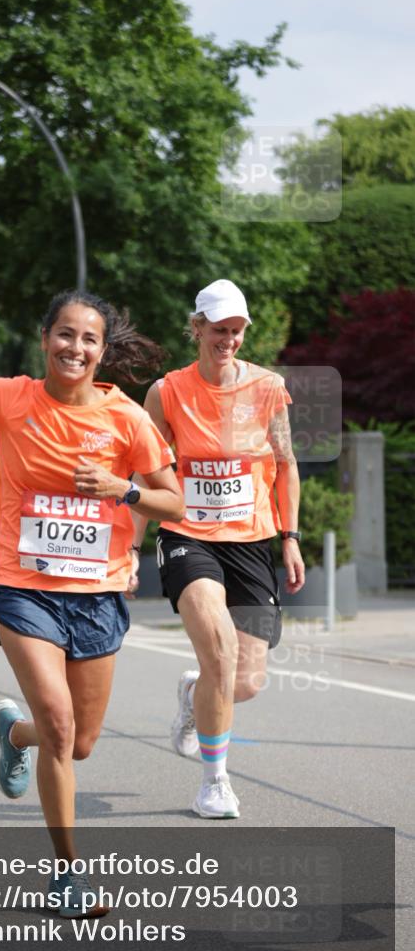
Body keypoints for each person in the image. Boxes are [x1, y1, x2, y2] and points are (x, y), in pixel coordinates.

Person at [0, 290, 184, 914]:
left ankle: (12, 735)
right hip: (22, 586)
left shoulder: (126, 417)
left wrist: (122, 489)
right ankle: (68, 875)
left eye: (89, 340)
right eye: (65, 335)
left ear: (102, 351)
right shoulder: (9, 396)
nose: (75, 348)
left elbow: (175, 501)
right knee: (59, 721)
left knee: (77, 743)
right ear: (44, 337)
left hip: (98, 594)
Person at [131, 279, 305, 819]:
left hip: (251, 540)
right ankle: (215, 783)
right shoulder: (167, 392)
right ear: (197, 327)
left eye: (237, 331)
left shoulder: (269, 387)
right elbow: (146, 472)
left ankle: (193, 695)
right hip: (188, 536)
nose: (228, 339)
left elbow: (286, 464)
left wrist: (291, 538)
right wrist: (129, 553)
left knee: (245, 681)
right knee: (220, 652)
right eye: (219, 330)